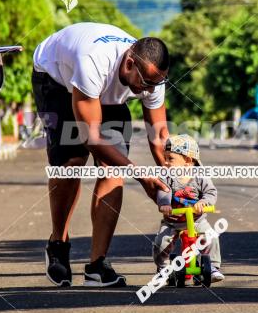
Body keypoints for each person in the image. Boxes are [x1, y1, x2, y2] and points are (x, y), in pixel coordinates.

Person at [32, 22, 170, 288]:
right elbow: (91, 138)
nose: (150, 91)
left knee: (113, 168)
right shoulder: (93, 61)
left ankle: (97, 264)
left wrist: (174, 179)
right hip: (57, 78)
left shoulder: (152, 76)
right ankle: (58, 244)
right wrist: (141, 175)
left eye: (156, 84)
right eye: (146, 84)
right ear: (130, 63)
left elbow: (159, 137)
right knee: (71, 163)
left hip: (105, 93)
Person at [153, 135, 223, 282]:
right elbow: (163, 191)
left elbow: (211, 193)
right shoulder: (167, 176)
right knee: (162, 241)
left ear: (188, 161)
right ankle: (163, 268)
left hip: (197, 220)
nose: (165, 163)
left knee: (211, 237)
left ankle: (214, 267)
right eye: (165, 158)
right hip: (172, 221)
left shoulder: (200, 176)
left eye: (170, 159)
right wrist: (165, 204)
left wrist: (204, 203)